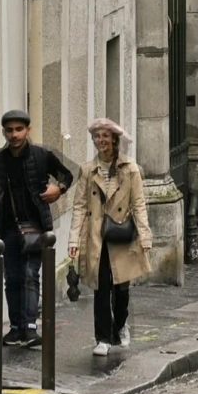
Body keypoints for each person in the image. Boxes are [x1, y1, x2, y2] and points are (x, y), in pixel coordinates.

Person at [0, 110, 76, 346]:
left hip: (36, 226)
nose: (14, 134)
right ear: (4, 132)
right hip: (6, 228)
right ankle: (16, 327)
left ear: (28, 130)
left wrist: (58, 189)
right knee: (12, 278)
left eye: (19, 129)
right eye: (10, 130)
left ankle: (30, 327)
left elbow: (69, 173)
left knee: (30, 275)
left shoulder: (42, 155)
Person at [67, 118, 152, 357]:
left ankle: (121, 324)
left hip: (121, 235)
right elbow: (80, 207)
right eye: (97, 137)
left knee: (122, 289)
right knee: (101, 287)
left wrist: (145, 237)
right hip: (96, 237)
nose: (101, 141)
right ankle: (102, 337)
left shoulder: (130, 169)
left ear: (114, 140)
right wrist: (74, 240)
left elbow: (138, 204)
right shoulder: (87, 170)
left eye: (105, 136)